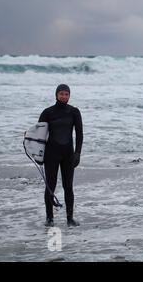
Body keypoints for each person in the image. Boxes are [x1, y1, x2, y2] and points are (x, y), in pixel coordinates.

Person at [38, 84, 83, 227]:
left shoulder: (74, 112)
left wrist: (77, 153)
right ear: (56, 95)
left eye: (66, 94)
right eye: (61, 94)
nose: (64, 96)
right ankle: (49, 218)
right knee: (50, 186)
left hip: (68, 154)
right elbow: (39, 135)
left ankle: (70, 219)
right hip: (51, 154)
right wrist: (38, 154)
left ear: (69, 95)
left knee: (68, 186)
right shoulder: (47, 112)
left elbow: (80, 134)